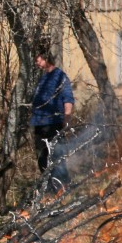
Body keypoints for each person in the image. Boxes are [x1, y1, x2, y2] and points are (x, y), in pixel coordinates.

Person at [30, 51, 75, 188]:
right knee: (42, 159)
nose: (36, 61)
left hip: (53, 124)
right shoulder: (43, 78)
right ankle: (49, 188)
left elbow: (68, 98)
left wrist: (66, 118)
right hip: (39, 124)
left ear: (46, 57)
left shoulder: (60, 76)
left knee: (57, 157)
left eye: (38, 58)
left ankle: (63, 187)